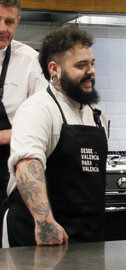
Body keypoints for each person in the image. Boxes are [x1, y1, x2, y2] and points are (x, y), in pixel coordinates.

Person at [2, 25, 108, 247]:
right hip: (38, 237)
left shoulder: (95, 114)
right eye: (81, 65)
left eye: (92, 63)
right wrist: (45, 222)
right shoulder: (37, 109)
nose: (91, 71)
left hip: (88, 236)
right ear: (54, 69)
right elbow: (27, 165)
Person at [0, 0, 48, 204]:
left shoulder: (31, 62)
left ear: (18, 21)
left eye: (9, 22)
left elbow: (42, 123)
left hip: (11, 175)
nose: (2, 28)